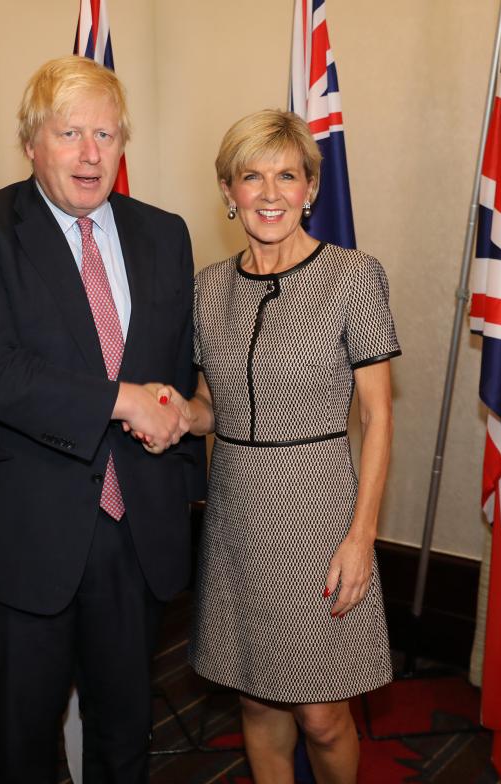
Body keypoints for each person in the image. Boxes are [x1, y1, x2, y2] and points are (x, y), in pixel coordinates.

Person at [0, 55, 204, 783]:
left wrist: (182, 418)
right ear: (30, 143)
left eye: (106, 135)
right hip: (24, 538)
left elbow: (176, 372)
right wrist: (124, 399)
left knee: (125, 740)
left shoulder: (164, 233)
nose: (90, 154)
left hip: (134, 532)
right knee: (23, 751)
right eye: (70, 132)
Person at [152, 110, 400, 782]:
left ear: (310, 189)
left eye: (287, 175)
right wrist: (174, 412)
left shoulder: (354, 276)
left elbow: (378, 417)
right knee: (258, 703)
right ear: (228, 192)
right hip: (238, 519)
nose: (269, 192)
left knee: (322, 716)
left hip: (320, 514)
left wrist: (362, 538)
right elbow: (213, 409)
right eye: (251, 176)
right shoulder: (206, 290)